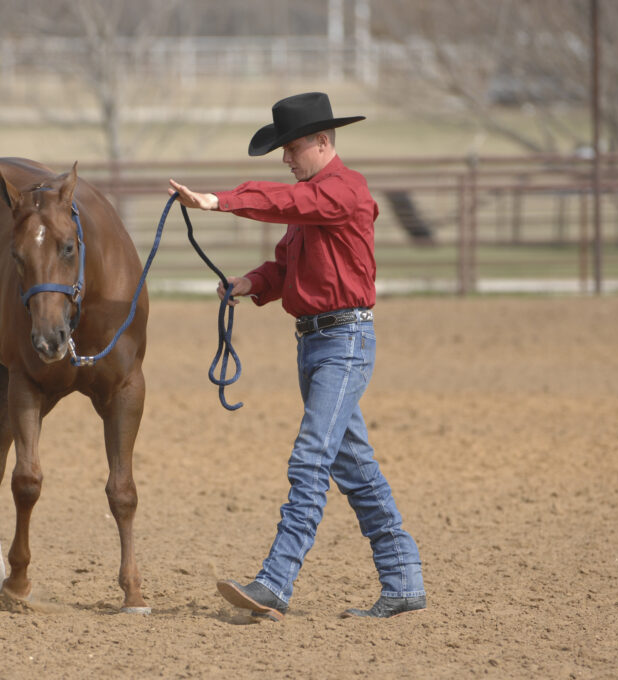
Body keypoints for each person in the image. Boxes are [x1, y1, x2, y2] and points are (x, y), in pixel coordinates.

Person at [169, 92, 426, 621]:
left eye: (291, 148)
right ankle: (404, 581)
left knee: (311, 458)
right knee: (354, 468)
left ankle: (275, 582)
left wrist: (220, 201)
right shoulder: (312, 202)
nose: (287, 160)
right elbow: (285, 268)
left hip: (343, 344)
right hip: (316, 344)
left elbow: (287, 203)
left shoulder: (344, 191)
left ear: (323, 142)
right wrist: (251, 283)